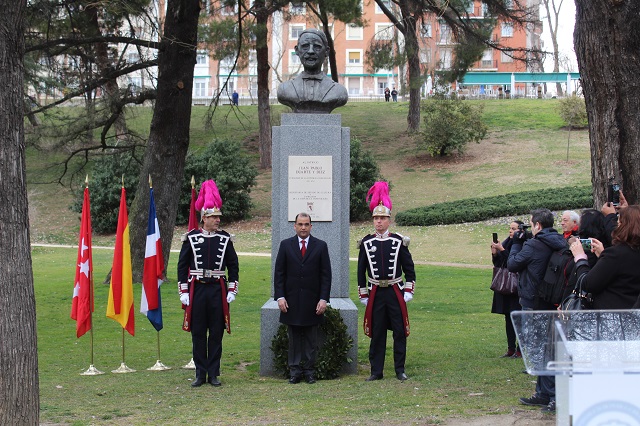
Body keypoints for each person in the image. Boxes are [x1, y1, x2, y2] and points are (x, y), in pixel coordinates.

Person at [177, 180, 239, 388]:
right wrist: (183, 291)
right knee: (198, 332)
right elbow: (182, 266)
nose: (217, 220)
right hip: (197, 289)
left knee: (216, 331)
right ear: (204, 218)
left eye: (218, 217)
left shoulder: (225, 239)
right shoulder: (191, 238)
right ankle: (199, 373)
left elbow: (233, 265)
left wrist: (232, 289)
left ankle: (214, 373)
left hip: (217, 289)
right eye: (213, 217)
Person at [507, 208, 567, 413]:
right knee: (548, 348)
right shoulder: (559, 241)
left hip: (533, 301)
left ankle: (553, 395)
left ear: (538, 225)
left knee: (541, 349)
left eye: (532, 224)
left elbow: (512, 264)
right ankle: (543, 392)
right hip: (551, 301)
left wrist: (516, 242)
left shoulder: (534, 245)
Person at [358, 182, 415, 382]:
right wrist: (363, 293)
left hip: (395, 291)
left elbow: (410, 270)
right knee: (377, 332)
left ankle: (400, 369)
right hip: (375, 292)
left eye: (382, 218)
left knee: (399, 331)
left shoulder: (399, 241)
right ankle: (376, 371)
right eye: (376, 218)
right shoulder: (366, 243)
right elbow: (360, 272)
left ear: (389, 220)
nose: (379, 222)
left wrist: (408, 290)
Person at [274, 212, 332, 384]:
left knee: (310, 339)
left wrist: (323, 299)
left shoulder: (321, 246)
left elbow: (326, 276)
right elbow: (279, 274)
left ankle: (309, 371)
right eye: (300, 224)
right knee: (294, 339)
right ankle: (295, 371)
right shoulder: (285, 245)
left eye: (306, 224)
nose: (303, 227)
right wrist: (280, 297)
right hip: (290, 301)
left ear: (311, 226)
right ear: (295, 226)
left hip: (312, 301)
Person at [569, 205, 640, 309]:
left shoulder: (616, 254)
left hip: (613, 315)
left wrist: (580, 258)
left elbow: (588, 284)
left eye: (619, 222)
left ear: (625, 226)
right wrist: (602, 255)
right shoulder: (625, 252)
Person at [276, 29, 348, 114]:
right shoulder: (284, 90)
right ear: (297, 50)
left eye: (317, 46)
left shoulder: (339, 91)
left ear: (326, 51)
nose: (311, 51)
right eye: (305, 46)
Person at [490, 221, 523, 358]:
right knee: (508, 317)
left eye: (514, 229)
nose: (510, 231)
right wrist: (495, 254)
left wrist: (502, 250)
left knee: (518, 317)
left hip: (515, 286)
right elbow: (499, 263)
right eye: (510, 228)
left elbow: (514, 261)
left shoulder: (521, 244)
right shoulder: (506, 242)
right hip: (504, 285)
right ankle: (510, 348)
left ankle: (519, 349)